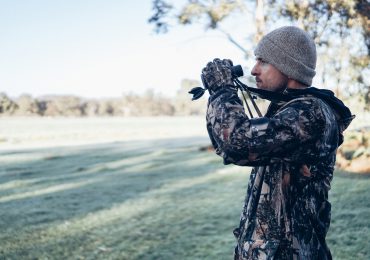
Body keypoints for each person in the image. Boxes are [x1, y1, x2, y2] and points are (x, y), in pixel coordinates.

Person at [201, 26, 354, 259]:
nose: (253, 70)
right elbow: (226, 145)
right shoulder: (288, 110)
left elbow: (237, 143)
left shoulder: (310, 114)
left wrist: (222, 90)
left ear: (288, 67)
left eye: (263, 61)